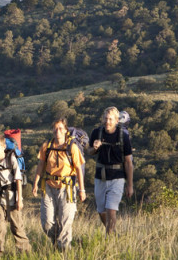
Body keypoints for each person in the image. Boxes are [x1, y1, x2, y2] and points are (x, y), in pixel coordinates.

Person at [32, 118, 86, 250]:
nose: (58, 131)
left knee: (65, 221)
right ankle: (57, 240)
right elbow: (41, 165)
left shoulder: (71, 147)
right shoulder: (47, 146)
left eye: (61, 128)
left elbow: (79, 168)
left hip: (67, 188)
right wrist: (35, 184)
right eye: (55, 128)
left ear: (66, 130)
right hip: (49, 186)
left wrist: (82, 189)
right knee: (47, 223)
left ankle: (63, 252)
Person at [87, 106, 134, 235]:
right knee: (101, 211)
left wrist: (130, 185)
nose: (107, 122)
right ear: (102, 119)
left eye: (111, 119)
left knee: (111, 210)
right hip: (100, 177)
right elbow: (89, 151)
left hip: (117, 178)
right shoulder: (96, 132)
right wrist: (95, 147)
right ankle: (113, 233)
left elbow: (129, 163)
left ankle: (109, 239)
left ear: (117, 121)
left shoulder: (123, 136)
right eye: (106, 119)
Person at [0, 134, 31, 255]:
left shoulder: (11, 159)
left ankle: (25, 253)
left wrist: (19, 199)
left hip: (12, 199)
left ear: (4, 147)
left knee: (17, 228)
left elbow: (18, 180)